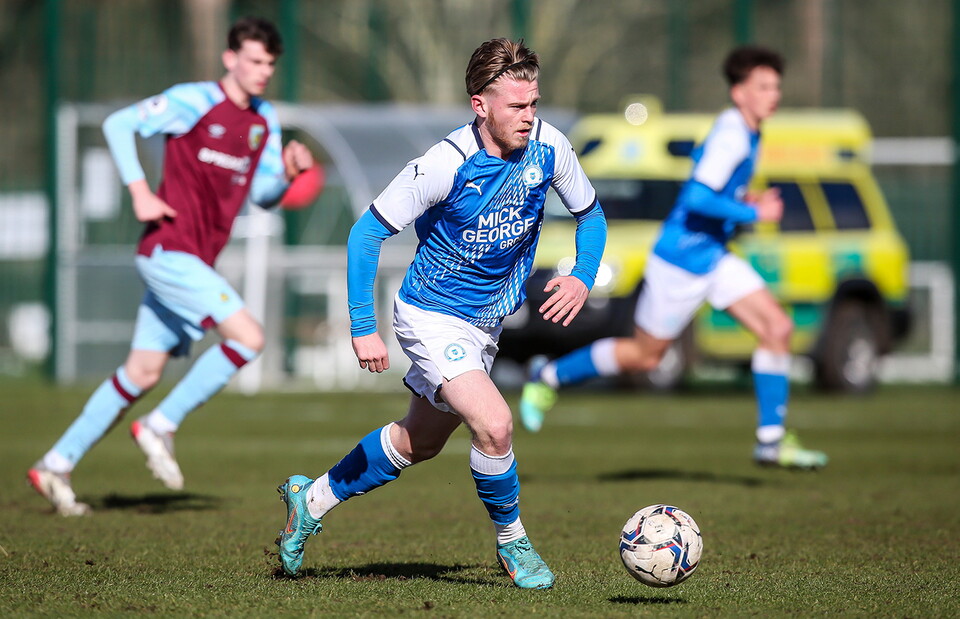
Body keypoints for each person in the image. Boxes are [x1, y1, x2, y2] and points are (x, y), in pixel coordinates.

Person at [275, 38, 606, 589]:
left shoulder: (551, 148)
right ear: (480, 105)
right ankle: (513, 544)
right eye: (516, 107)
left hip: (485, 323)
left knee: (420, 442)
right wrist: (363, 326)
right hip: (431, 316)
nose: (529, 117)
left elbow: (590, 215)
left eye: (534, 104)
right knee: (495, 424)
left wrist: (581, 275)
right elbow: (366, 233)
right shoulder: (443, 164)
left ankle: (311, 499)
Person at [28, 17, 315, 516]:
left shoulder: (264, 121)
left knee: (140, 373)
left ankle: (55, 464)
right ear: (230, 58)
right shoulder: (195, 100)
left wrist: (287, 173)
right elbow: (120, 124)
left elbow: (263, 196)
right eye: (253, 60)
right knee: (249, 337)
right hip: (168, 250)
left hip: (195, 258)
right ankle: (161, 425)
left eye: (269, 63)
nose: (262, 71)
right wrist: (140, 191)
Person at [520, 46, 829, 470]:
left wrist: (742, 201)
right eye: (762, 86)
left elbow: (714, 193)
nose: (772, 94)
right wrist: (754, 211)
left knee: (777, 327)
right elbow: (697, 197)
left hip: (714, 257)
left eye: (775, 86)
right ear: (739, 93)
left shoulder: (747, 130)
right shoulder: (733, 134)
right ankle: (548, 376)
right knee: (645, 355)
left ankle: (771, 442)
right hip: (680, 262)